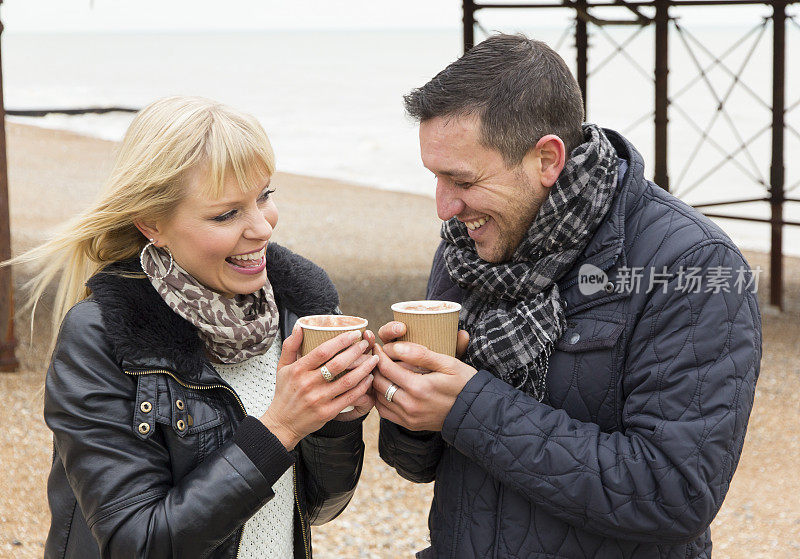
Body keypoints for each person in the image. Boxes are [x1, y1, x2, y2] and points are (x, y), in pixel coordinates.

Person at [373, 34, 761, 558]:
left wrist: (468, 406)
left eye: (459, 178)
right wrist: (402, 398)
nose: (443, 206)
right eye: (434, 177)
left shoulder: (691, 265)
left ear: (547, 160)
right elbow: (420, 466)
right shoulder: (467, 250)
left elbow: (675, 494)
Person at [12, 96, 377, 558]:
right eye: (226, 214)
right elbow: (136, 543)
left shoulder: (297, 310)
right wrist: (281, 426)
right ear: (152, 224)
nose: (262, 227)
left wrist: (336, 420)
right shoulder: (104, 336)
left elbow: (317, 506)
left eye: (264, 197)